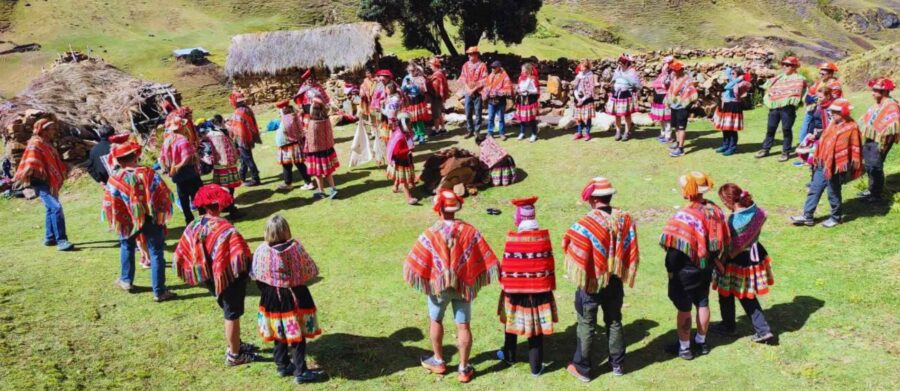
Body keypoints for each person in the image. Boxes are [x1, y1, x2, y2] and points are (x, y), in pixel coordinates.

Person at [404, 190, 499, 383]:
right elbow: (484, 255)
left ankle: (438, 360)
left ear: (439, 209)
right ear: (457, 208)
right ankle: (464, 368)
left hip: (438, 287)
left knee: (435, 321)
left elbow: (415, 258)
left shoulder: (431, 233)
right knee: (463, 325)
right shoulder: (470, 232)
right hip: (463, 286)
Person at [562, 177, 640, 382]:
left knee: (586, 323)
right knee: (614, 320)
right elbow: (630, 246)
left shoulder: (586, 223)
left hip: (591, 281)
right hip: (615, 279)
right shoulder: (625, 219)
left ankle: (583, 369)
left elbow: (570, 242)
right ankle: (618, 365)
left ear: (594, 199)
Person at [172, 184, 258, 365]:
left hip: (209, 277)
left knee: (228, 311)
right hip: (228, 277)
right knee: (232, 314)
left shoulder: (194, 225)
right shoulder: (226, 228)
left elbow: (183, 250)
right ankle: (234, 355)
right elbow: (240, 254)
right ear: (218, 204)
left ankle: (236, 344)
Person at [660, 172, 729, 360]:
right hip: (707, 266)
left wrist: (671, 269)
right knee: (703, 302)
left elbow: (674, 249)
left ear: (688, 190)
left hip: (686, 269)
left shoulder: (685, 215)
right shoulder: (714, 210)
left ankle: (684, 347)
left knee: (684, 308)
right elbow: (722, 238)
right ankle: (701, 342)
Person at [252, 215, 326, 384]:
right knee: (297, 332)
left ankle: (282, 364)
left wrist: (269, 288)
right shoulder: (295, 248)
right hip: (295, 295)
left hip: (271, 295)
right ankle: (300, 371)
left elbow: (257, 273)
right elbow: (310, 269)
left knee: (279, 330)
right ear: (286, 230)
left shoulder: (262, 250)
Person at [102, 141, 176, 302]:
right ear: (136, 156)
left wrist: (124, 215)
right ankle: (159, 291)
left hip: (128, 220)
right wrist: (158, 211)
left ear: (119, 161)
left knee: (126, 245)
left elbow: (112, 201)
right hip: (151, 218)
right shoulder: (149, 173)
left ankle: (126, 280)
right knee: (156, 252)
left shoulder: (116, 178)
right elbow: (162, 194)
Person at [495, 196, 557, 377]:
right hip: (539, 293)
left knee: (510, 323)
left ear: (520, 218)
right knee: (535, 331)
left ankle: (509, 355)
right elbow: (548, 266)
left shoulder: (513, 240)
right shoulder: (544, 238)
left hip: (515, 291)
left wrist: (509, 282)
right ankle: (536, 368)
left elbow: (506, 267)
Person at [711, 183, 775, 344]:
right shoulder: (755, 210)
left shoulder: (734, 221)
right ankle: (760, 329)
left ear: (728, 200)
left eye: (723, 201)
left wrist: (721, 260)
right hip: (755, 255)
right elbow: (765, 215)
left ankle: (732, 326)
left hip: (737, 261)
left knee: (727, 293)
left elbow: (733, 248)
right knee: (746, 294)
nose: (724, 204)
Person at [790, 98, 863, 228]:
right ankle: (808, 216)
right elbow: (825, 141)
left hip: (836, 166)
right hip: (822, 162)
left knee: (833, 192)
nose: (832, 114)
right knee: (814, 188)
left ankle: (836, 217)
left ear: (844, 112)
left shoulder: (852, 127)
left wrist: (841, 163)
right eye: (832, 111)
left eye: (835, 112)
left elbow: (853, 148)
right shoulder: (832, 124)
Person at [14, 119, 74, 251]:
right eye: (51, 129)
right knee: (56, 208)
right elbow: (30, 163)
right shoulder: (36, 143)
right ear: (43, 130)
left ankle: (49, 237)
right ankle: (61, 240)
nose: (54, 131)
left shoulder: (46, 143)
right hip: (39, 181)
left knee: (50, 209)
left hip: (48, 181)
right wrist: (37, 172)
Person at [757, 56, 807, 162]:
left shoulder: (799, 79)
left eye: (788, 65)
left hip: (788, 108)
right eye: (783, 64)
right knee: (770, 128)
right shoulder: (778, 78)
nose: (784, 66)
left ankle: (785, 152)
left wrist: (794, 100)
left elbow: (800, 93)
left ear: (794, 67)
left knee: (786, 130)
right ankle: (765, 149)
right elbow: (770, 89)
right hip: (774, 107)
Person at [858, 78, 898, 203]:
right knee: (869, 166)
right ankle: (871, 189)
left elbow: (893, 126)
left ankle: (876, 195)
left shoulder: (891, 105)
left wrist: (884, 145)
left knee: (875, 167)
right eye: (873, 90)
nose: (873, 93)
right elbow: (868, 119)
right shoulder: (877, 103)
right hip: (871, 138)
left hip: (881, 141)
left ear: (885, 91)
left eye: (876, 90)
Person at [302, 80, 341, 200]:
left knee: (318, 173)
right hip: (327, 149)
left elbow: (310, 139)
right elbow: (329, 134)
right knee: (328, 171)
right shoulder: (326, 120)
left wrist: (307, 150)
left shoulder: (312, 123)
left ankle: (321, 191)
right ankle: (333, 189)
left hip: (316, 152)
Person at [160, 117, 202, 224]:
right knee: (197, 195)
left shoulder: (167, 140)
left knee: (183, 197)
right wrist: (179, 165)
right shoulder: (182, 140)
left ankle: (189, 219)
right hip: (188, 171)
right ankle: (202, 216)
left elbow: (162, 157)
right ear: (181, 127)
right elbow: (187, 156)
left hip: (177, 174)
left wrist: (170, 169)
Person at [204, 115, 242, 216]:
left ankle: (225, 206)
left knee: (222, 188)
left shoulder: (210, 134)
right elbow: (229, 147)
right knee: (229, 188)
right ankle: (231, 209)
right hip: (227, 165)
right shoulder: (222, 134)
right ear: (221, 122)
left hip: (218, 165)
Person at [799, 63, 843, 146]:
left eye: (823, 74)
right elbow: (810, 94)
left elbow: (831, 99)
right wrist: (810, 98)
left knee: (824, 131)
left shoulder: (835, 85)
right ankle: (805, 148)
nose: (820, 75)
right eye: (820, 73)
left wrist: (815, 98)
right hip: (813, 110)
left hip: (826, 112)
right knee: (806, 131)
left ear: (830, 74)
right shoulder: (819, 82)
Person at [274, 100, 314, 191]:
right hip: (294, 144)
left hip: (288, 145)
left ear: (282, 110)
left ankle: (305, 183)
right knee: (297, 164)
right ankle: (303, 182)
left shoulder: (286, 119)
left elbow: (284, 133)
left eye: (279, 111)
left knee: (290, 164)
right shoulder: (294, 116)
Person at [712, 67, 752, 156]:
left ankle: (732, 147)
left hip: (734, 106)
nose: (731, 75)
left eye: (733, 74)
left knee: (731, 129)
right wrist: (732, 72)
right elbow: (727, 70)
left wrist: (738, 79)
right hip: (726, 105)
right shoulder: (733, 80)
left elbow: (727, 87)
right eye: (731, 73)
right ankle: (725, 145)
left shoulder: (742, 83)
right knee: (725, 127)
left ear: (739, 75)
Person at [228, 91, 262, 186]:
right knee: (244, 159)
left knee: (248, 159)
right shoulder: (246, 109)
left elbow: (237, 128)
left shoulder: (239, 112)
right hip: (247, 137)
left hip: (242, 139)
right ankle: (241, 177)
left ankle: (256, 179)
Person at [665, 61, 698, 157]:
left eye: (676, 70)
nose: (674, 71)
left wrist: (685, 99)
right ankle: (677, 143)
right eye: (674, 70)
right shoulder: (674, 78)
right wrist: (669, 100)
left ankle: (681, 149)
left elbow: (691, 91)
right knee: (675, 126)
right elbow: (671, 89)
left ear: (681, 70)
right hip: (674, 106)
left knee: (681, 127)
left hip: (682, 107)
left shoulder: (687, 80)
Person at [606, 54, 641, 141]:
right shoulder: (618, 71)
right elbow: (613, 80)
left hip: (626, 95)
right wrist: (612, 83)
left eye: (622, 63)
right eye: (620, 63)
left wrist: (626, 78)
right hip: (616, 94)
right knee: (617, 115)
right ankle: (618, 132)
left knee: (626, 115)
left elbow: (637, 84)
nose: (620, 64)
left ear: (627, 63)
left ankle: (627, 132)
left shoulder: (631, 72)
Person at [386, 121, 418, 205]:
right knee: (404, 181)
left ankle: (395, 187)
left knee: (400, 177)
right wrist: (409, 149)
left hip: (407, 157)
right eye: (409, 124)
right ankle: (409, 198)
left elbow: (409, 142)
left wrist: (410, 147)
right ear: (404, 125)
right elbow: (397, 152)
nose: (411, 125)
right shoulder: (399, 137)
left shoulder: (406, 133)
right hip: (401, 161)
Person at [459, 46, 488, 138]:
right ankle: (470, 130)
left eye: (471, 54)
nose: (469, 56)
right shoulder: (465, 65)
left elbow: (484, 79)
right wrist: (468, 89)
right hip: (468, 92)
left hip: (477, 93)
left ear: (476, 55)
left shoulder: (482, 66)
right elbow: (463, 78)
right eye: (468, 54)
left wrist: (473, 89)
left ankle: (477, 131)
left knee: (478, 113)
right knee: (468, 112)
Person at [401, 62, 432, 144]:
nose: (411, 72)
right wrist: (405, 87)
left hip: (418, 99)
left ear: (416, 70)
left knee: (419, 118)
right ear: (407, 70)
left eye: (413, 70)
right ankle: (417, 133)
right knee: (412, 118)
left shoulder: (420, 78)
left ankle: (422, 135)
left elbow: (423, 90)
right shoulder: (406, 78)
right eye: (410, 70)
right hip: (410, 100)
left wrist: (414, 86)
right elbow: (402, 90)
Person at [484, 61, 513, 139]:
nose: (492, 69)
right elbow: (486, 86)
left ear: (499, 67)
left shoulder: (504, 76)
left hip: (500, 101)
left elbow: (508, 89)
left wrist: (496, 93)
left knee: (501, 118)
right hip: (491, 101)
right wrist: (488, 93)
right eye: (492, 67)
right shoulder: (490, 76)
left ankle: (502, 133)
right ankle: (490, 133)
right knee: (490, 118)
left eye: (494, 67)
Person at [514, 62, 540, 142]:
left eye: (524, 70)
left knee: (531, 119)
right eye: (522, 70)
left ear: (528, 70)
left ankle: (534, 134)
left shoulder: (533, 79)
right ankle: (522, 133)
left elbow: (536, 91)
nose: (522, 71)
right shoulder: (520, 78)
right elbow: (519, 87)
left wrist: (529, 91)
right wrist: (517, 90)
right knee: (522, 118)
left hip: (530, 101)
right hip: (522, 100)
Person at [571, 60, 596, 142]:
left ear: (586, 67)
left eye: (582, 66)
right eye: (580, 66)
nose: (580, 67)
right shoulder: (579, 75)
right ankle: (579, 132)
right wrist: (577, 97)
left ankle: (587, 133)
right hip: (578, 98)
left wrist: (583, 99)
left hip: (586, 99)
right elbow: (575, 87)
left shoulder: (590, 76)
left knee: (587, 117)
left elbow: (591, 90)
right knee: (579, 117)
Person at [652, 57, 674, 143]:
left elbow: (669, 84)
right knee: (661, 117)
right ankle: (663, 133)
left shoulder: (672, 74)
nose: (664, 65)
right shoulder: (663, 73)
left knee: (667, 118)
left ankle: (668, 136)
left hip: (666, 97)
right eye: (664, 63)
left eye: (666, 63)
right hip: (659, 96)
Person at [428, 58, 450, 135]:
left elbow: (436, 87)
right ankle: (443, 128)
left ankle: (437, 130)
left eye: (431, 65)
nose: (430, 67)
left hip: (436, 97)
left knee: (436, 114)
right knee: (440, 113)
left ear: (434, 65)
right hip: (439, 97)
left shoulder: (437, 74)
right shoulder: (440, 73)